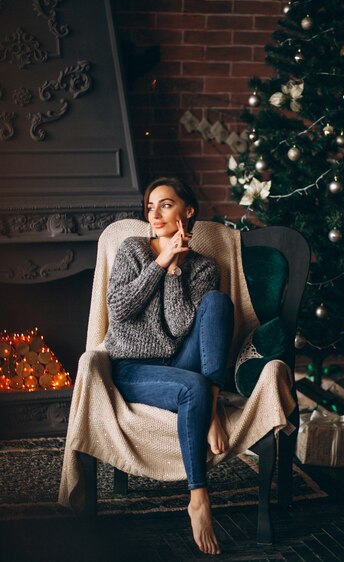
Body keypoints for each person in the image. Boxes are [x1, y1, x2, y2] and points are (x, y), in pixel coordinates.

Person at [105, 177, 234, 555]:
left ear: (187, 211)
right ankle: (198, 497)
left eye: (165, 204)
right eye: (150, 207)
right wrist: (161, 262)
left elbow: (179, 327)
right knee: (190, 386)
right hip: (133, 369)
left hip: (178, 360)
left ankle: (209, 399)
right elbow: (120, 308)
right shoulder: (132, 250)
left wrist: (177, 269)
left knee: (217, 303)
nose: (155, 214)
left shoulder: (203, 267)